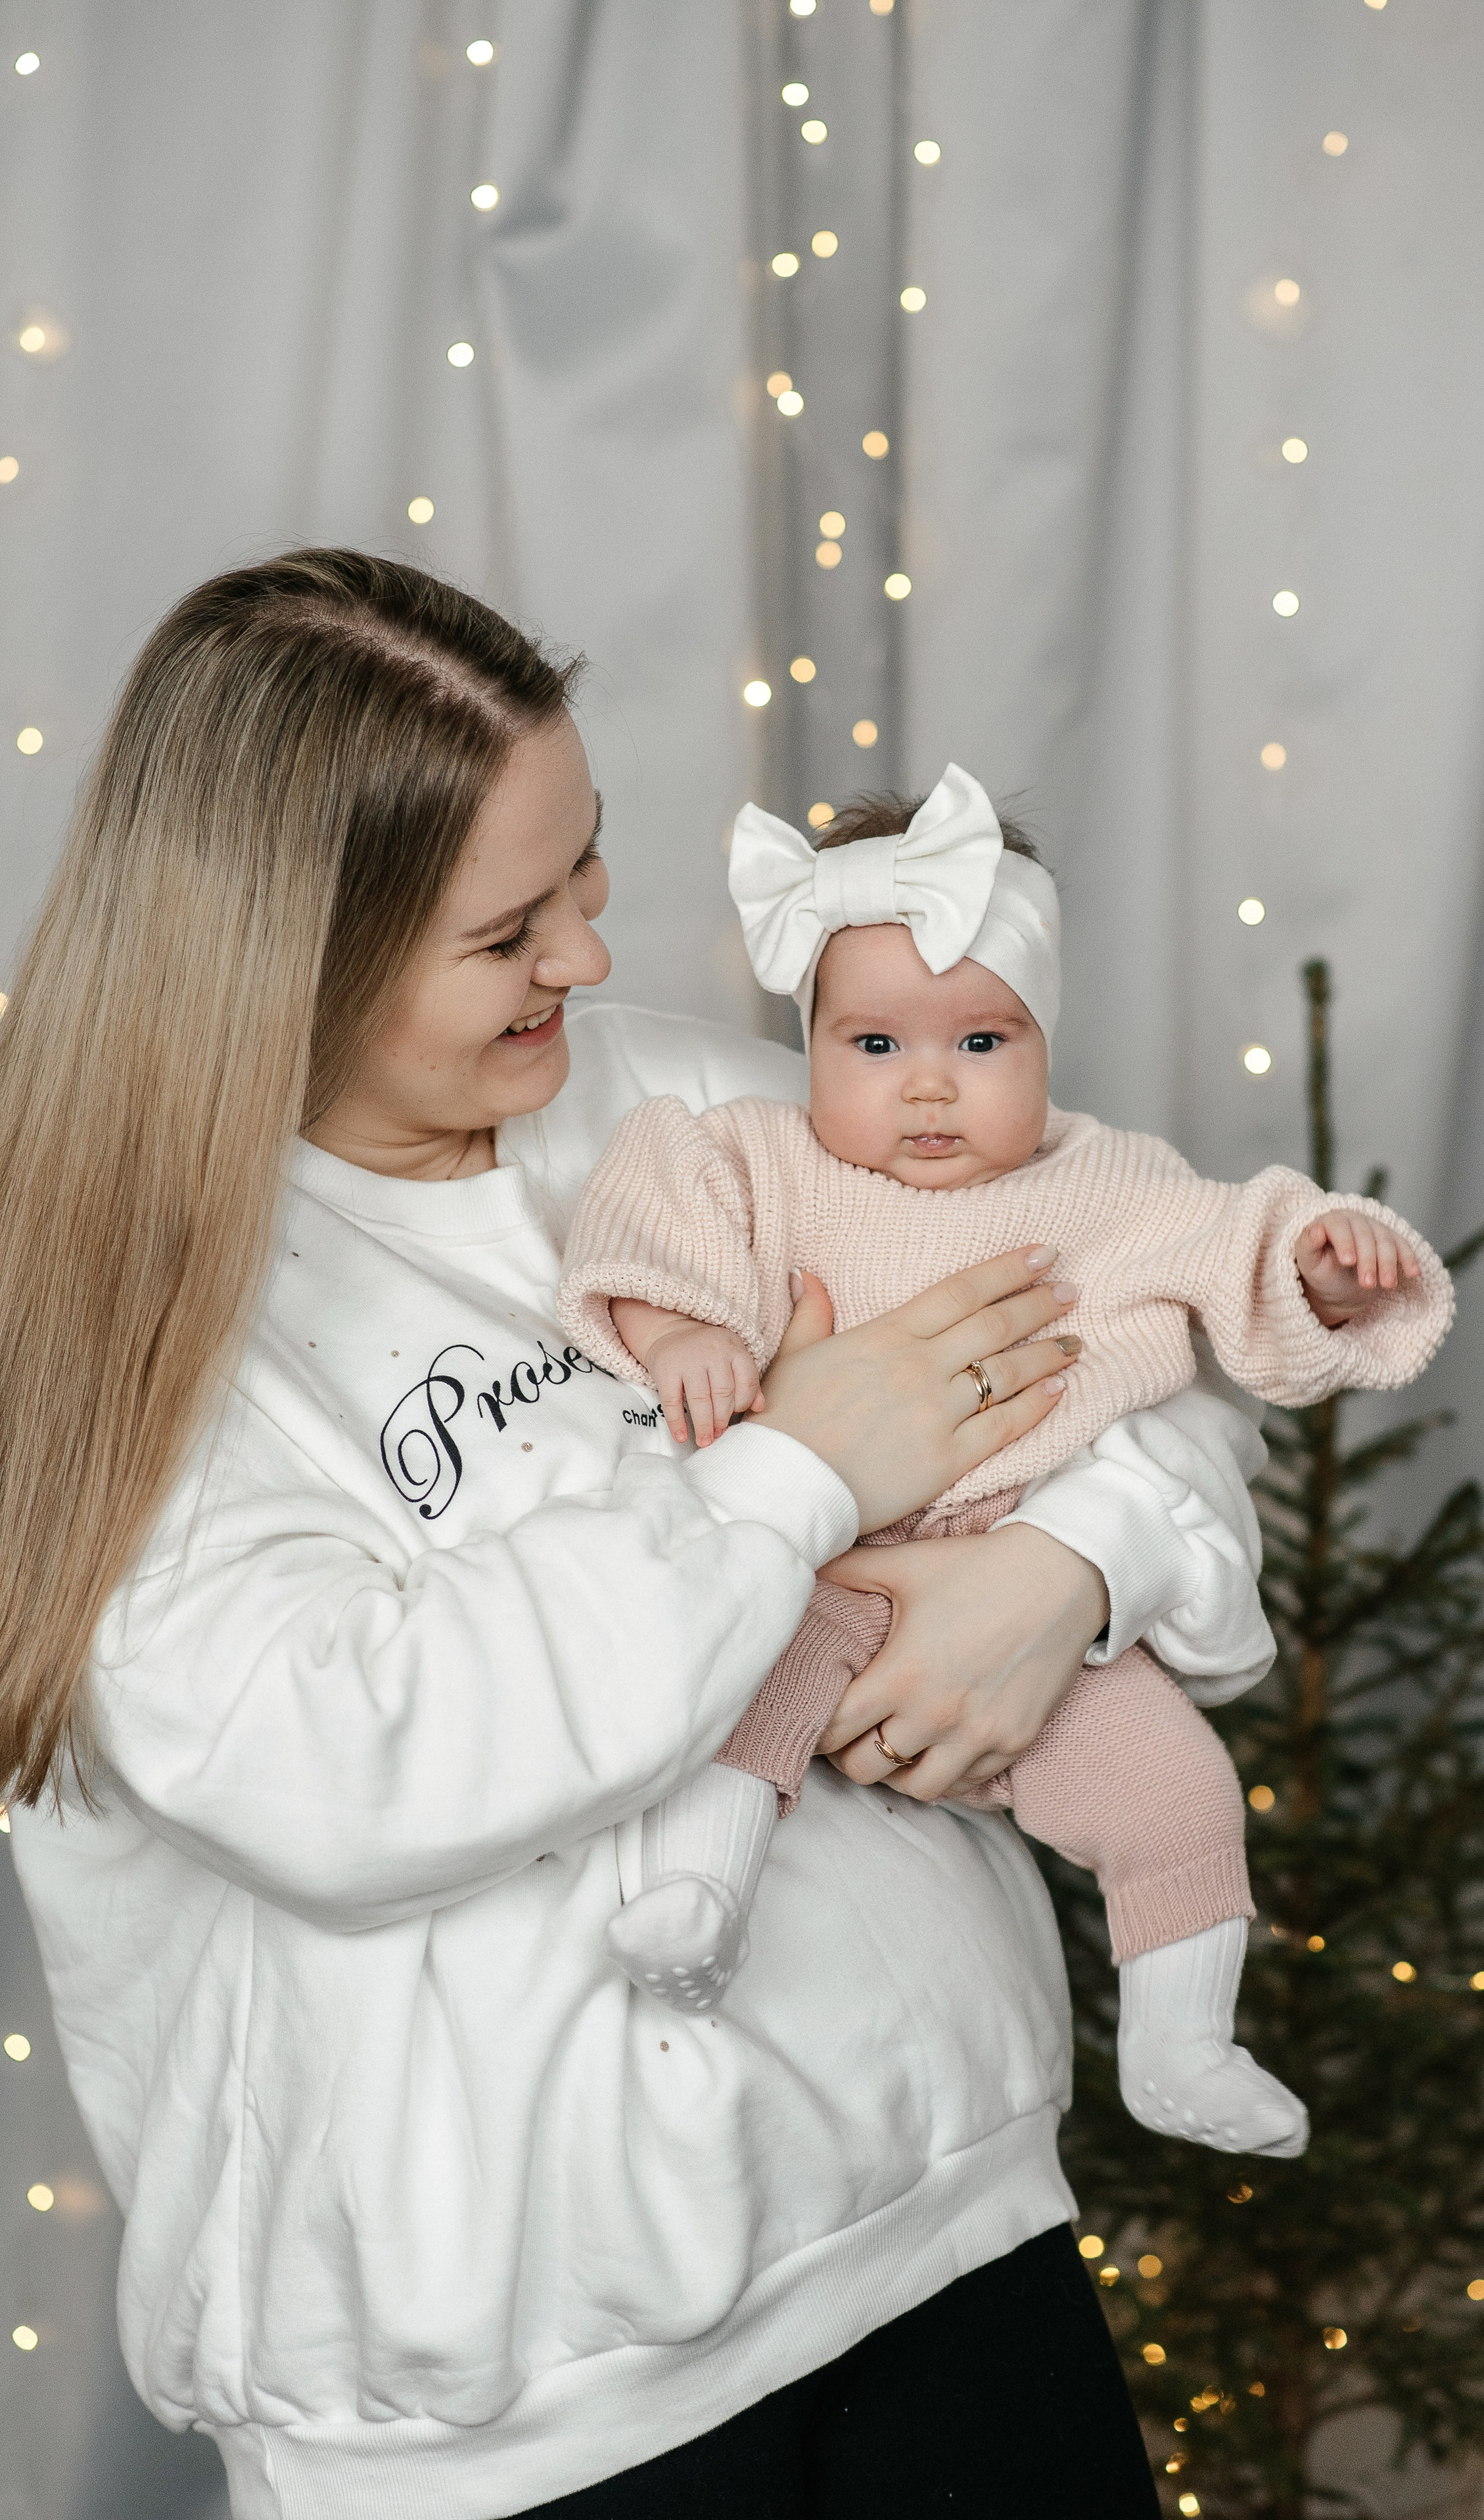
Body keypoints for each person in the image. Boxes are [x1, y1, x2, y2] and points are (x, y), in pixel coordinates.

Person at [2, 554, 1273, 2519]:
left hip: (945, 2228)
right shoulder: (113, 1305)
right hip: (524, 2410)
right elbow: (342, 1761)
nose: (587, 959)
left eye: (584, 869)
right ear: (289, 953)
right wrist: (795, 1473)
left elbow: (1131, 1294)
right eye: (506, 932)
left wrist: (1073, 1563)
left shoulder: (681, 1105)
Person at [555, 766, 1452, 2160]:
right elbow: (649, 1228)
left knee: (1180, 1791)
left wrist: (1322, 1271)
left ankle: (1180, 2042)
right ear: (810, 1043)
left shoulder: (1111, 1184)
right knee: (735, 1687)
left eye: (981, 1041)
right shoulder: (756, 1157)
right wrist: (682, 1334)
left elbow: (1242, 1253)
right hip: (821, 1565)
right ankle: (697, 1896)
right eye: (873, 1045)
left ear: (1044, 1040)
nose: (928, 1085)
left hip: (1027, 1603)